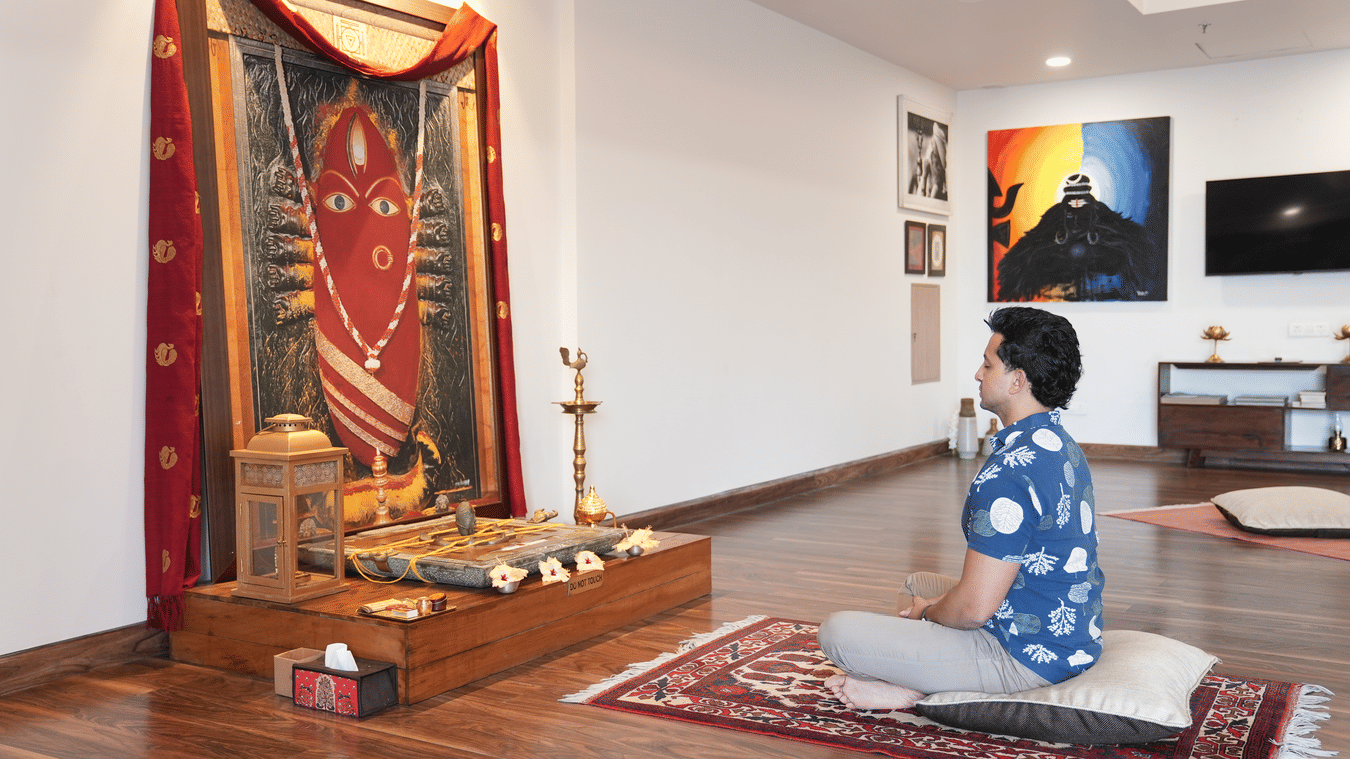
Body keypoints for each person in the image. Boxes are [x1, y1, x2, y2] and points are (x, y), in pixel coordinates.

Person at [819, 306, 1104, 711]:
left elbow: (973, 611)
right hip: (1074, 636)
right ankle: (920, 674)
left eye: (987, 365)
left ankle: (915, 690)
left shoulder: (1009, 473)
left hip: (1025, 658)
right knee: (917, 583)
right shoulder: (1059, 444)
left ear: (1017, 380)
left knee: (837, 632)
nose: (977, 374)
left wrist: (928, 614)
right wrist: (928, 606)